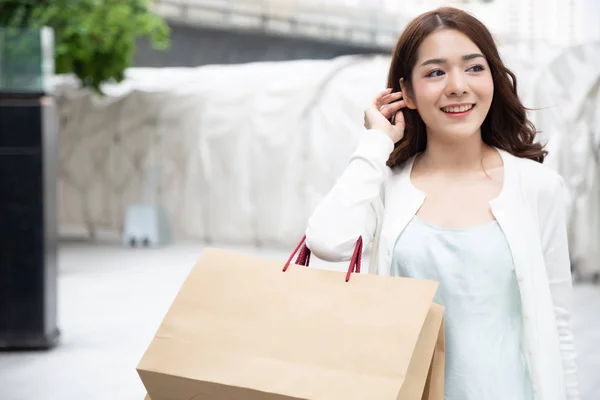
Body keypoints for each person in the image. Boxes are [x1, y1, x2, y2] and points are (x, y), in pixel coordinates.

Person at [304, 7, 579, 400]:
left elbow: (559, 325)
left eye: (473, 68)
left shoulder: (537, 187)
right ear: (408, 93)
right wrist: (376, 142)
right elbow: (326, 241)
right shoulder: (386, 187)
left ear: (494, 79)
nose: (457, 86)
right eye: (435, 72)